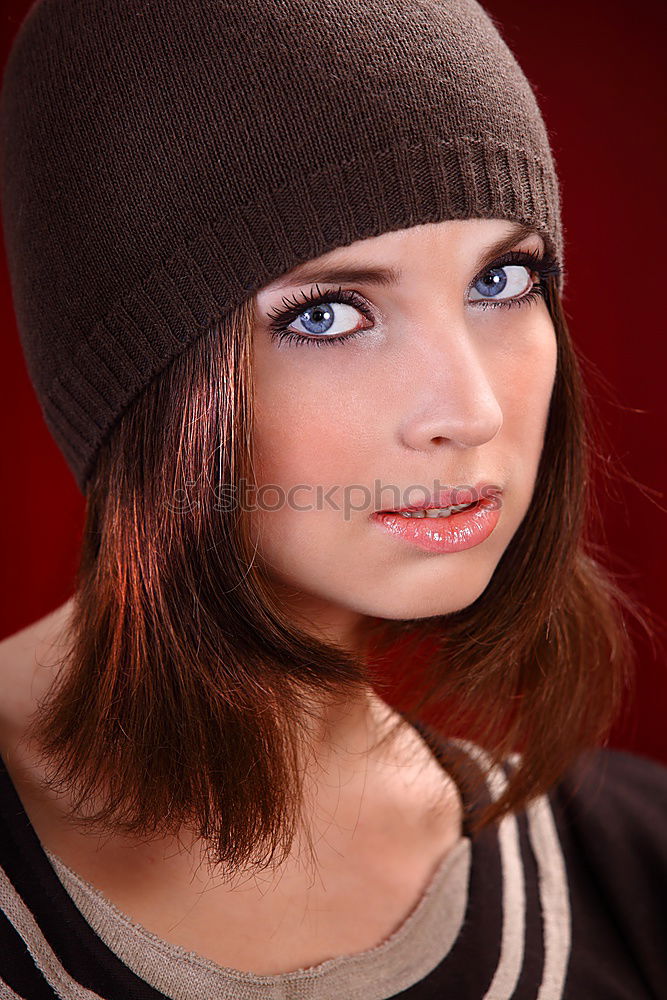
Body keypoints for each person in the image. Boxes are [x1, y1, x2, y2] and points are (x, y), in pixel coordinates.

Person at [0, 0, 665, 998]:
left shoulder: (632, 868)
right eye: (329, 311)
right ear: (134, 373)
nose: (468, 410)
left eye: (503, 279)